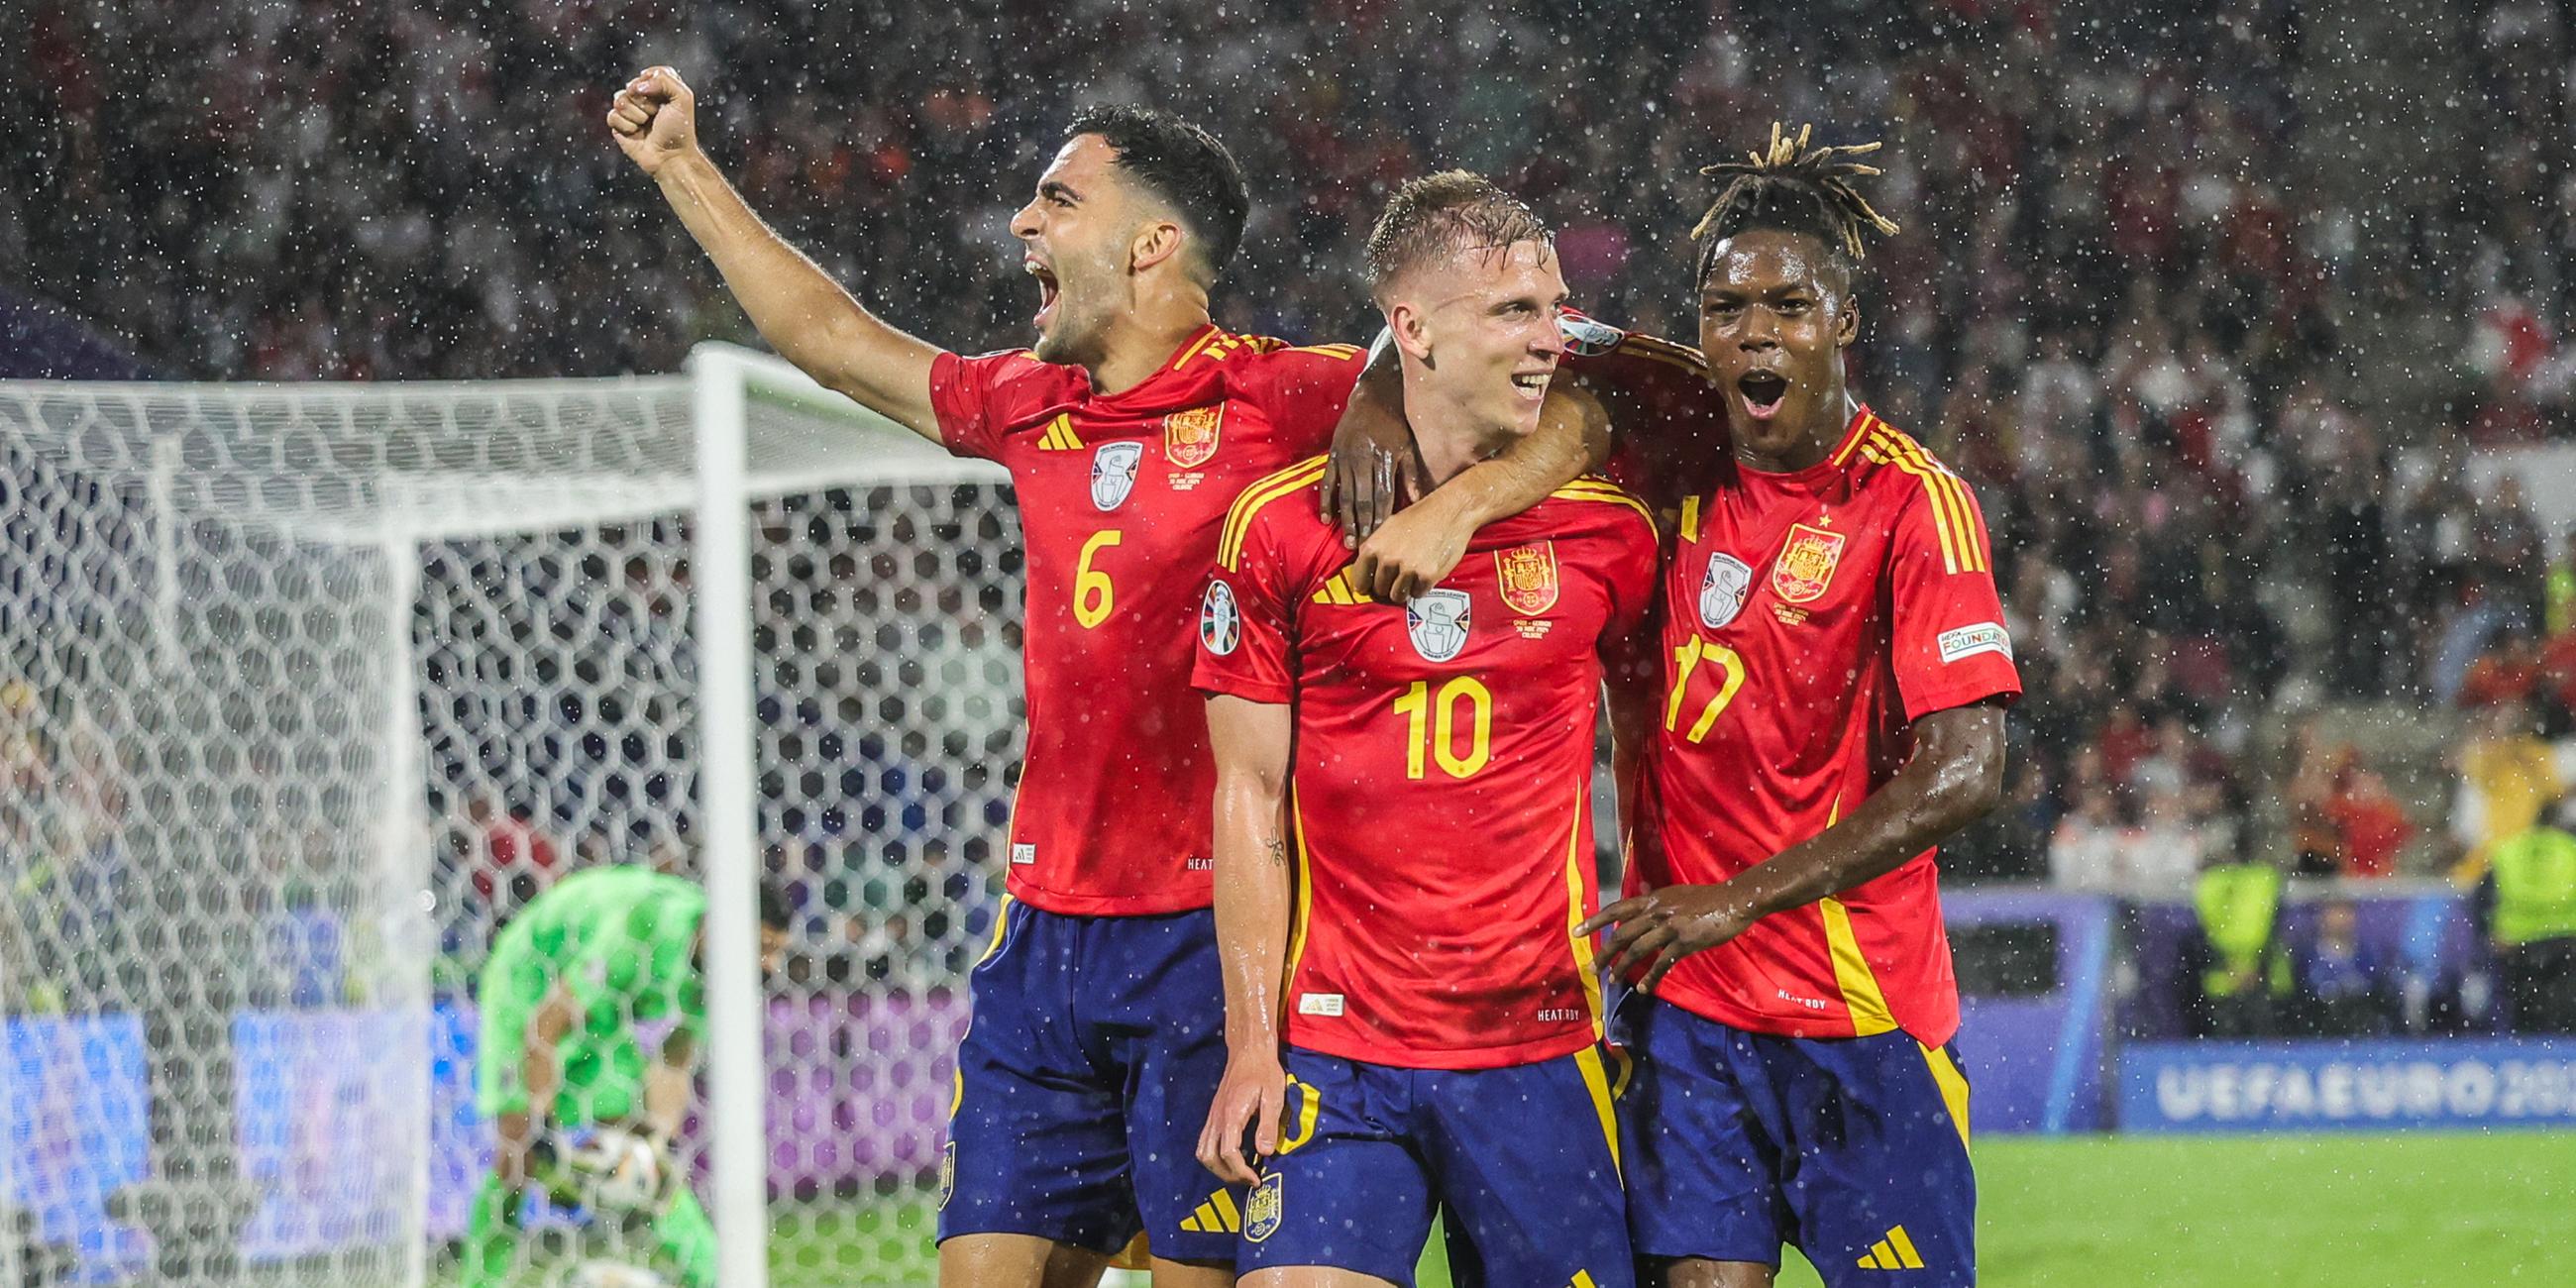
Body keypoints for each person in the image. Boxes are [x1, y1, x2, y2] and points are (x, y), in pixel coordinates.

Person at [608, 70, 1596, 1286]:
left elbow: (1582, 407)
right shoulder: (1031, 404)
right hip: (1042, 939)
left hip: (1209, 938)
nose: (1022, 224)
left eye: (1055, 200)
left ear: (1151, 244)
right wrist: (683, 171)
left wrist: (1406, 436)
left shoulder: (1279, 393)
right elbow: (832, 343)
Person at [1193, 171, 1656, 1288]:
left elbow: (1658, 763)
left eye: (1553, 307)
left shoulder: (1613, 532)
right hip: (1337, 1049)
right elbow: (1246, 797)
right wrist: (1250, 1042)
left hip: (1539, 1044)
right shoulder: (1279, 529)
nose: (1550, 338)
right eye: (1513, 314)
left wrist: (1466, 499)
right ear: (1408, 329)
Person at [1581, 125, 2017, 1288]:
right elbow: (1465, 328)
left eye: (1788, 304)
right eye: (1725, 309)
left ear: (1844, 325)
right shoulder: (1658, 483)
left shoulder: (1911, 502)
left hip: (1855, 1015)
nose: (1755, 331)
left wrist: (1735, 899)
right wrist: (1374, 407)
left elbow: (1968, 768)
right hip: (1690, 1017)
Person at [463, 865, 794, 1288]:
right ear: (720, 926)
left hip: (604, 1011)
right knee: (517, 1156)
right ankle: (478, 1282)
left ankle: (718, 1277)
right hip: (529, 979)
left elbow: (675, 1060)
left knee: (649, 1159)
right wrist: (543, 1128)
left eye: (777, 951)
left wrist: (658, 1141)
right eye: (763, 947)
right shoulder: (640, 927)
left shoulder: (722, 975)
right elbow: (546, 1025)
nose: (770, 966)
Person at [2477, 821, 2576, 1034]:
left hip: (2518, 945)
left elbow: (2481, 899)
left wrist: (2489, 933)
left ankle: (2526, 1055)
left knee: (2525, 1013)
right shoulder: (2571, 849)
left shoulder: (2508, 852)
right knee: (2566, 1012)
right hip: (2567, 942)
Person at [2185, 849, 2290, 1038]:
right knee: (2226, 1039)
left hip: (2259, 981)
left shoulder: (2266, 881)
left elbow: (2275, 932)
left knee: (2264, 1039)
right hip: (2223, 982)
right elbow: (2199, 939)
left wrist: (2255, 967)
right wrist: (2230, 966)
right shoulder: (2210, 886)